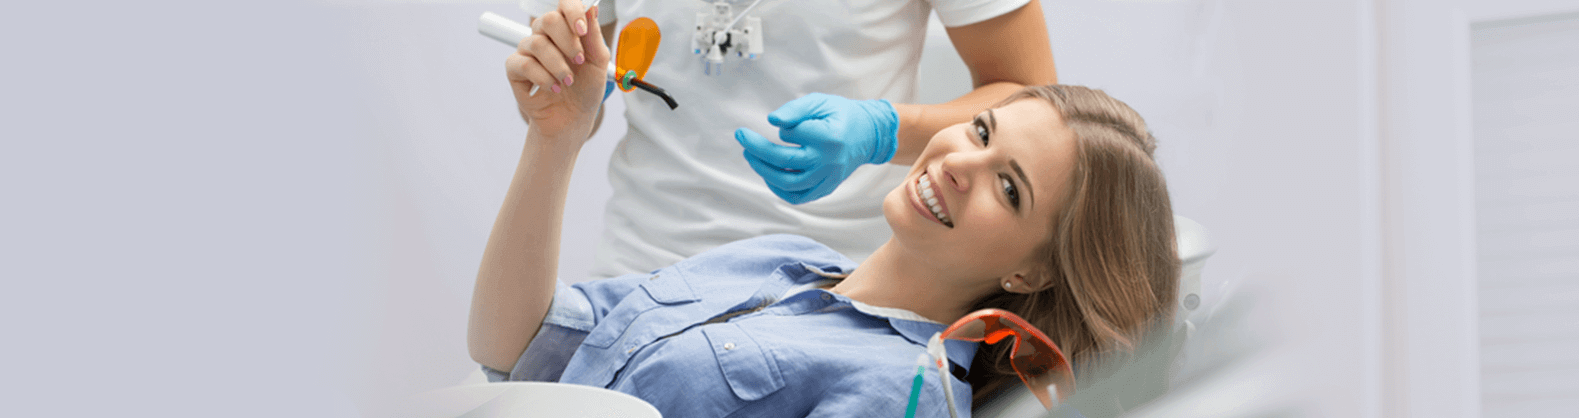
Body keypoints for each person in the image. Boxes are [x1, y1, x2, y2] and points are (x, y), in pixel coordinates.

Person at [473, 16, 1176, 415]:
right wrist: (554, 140)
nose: (961, 160)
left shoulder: (903, 389)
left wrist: (879, 127)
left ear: (1029, 274)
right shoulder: (769, 260)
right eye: (983, 131)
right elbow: (513, 350)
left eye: (1011, 189)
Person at [511, 0, 1058, 280]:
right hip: (636, 277)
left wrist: (883, 129)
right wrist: (559, 93)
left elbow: (1032, 102)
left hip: (837, 290)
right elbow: (576, 90)